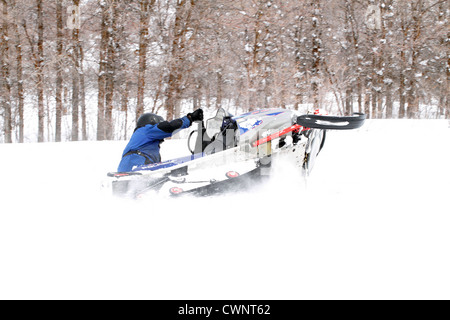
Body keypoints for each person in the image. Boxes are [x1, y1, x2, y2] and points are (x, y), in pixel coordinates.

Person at [117, 109, 203, 172]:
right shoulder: (146, 130)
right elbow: (170, 127)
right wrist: (190, 118)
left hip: (131, 171)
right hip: (134, 168)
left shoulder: (146, 142)